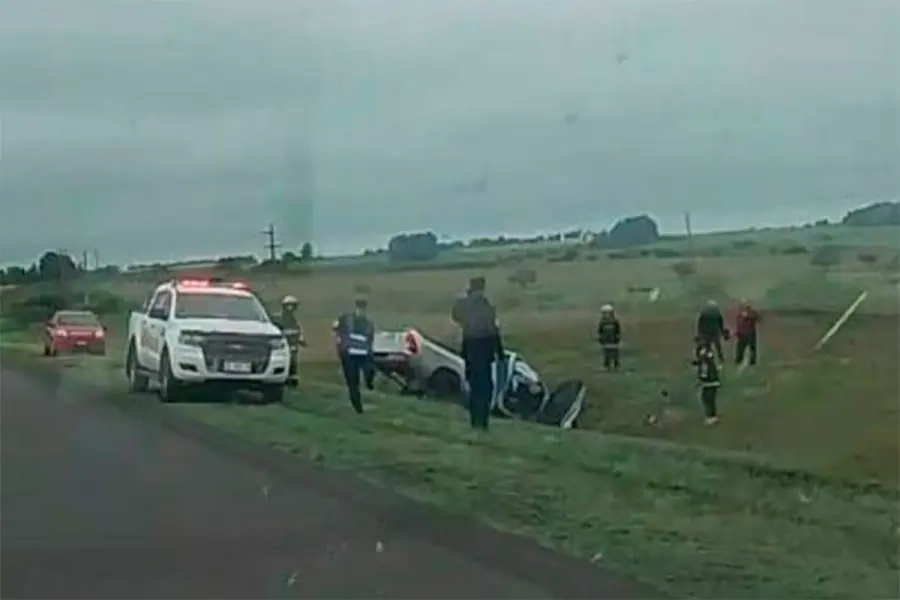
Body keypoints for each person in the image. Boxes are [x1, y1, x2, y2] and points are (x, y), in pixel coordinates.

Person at [451, 276, 505, 430]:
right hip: (484, 347)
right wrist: (499, 352)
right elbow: (493, 329)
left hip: (469, 347)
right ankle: (483, 420)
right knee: (485, 387)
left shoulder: (463, 304)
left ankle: (475, 419)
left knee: (474, 384)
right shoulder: (486, 305)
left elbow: (455, 316)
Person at [332, 298, 376, 414]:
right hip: (349, 354)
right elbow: (336, 331)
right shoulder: (345, 319)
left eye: (362, 308)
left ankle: (369, 382)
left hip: (361, 353)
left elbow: (370, 339)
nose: (361, 311)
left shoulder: (368, 323)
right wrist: (339, 345)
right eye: (359, 308)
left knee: (369, 371)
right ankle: (358, 408)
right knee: (353, 382)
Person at [691, 337, 721, 425]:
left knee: (707, 398)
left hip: (710, 381)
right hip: (712, 380)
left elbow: (705, 367)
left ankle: (711, 416)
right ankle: (712, 415)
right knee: (708, 398)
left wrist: (700, 379)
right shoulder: (707, 352)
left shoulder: (704, 354)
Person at [278, 295, 306, 384]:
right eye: (288, 305)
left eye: (292, 305)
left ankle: (292, 378)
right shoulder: (280, 319)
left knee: (293, 361)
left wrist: (301, 340)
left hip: (293, 344)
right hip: (284, 344)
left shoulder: (293, 319)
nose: (290, 308)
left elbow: (296, 331)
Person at [733, 299, 761, 367]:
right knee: (740, 347)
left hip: (750, 332)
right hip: (742, 333)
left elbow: (757, 317)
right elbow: (739, 324)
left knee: (752, 348)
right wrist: (737, 331)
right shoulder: (739, 313)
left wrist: (747, 315)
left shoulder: (752, 312)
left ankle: (752, 361)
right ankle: (739, 359)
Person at [596, 304, 622, 371]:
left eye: (608, 313)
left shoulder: (615, 321)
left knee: (614, 352)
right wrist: (600, 338)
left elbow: (618, 330)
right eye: (605, 313)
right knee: (606, 353)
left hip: (613, 340)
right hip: (606, 340)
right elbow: (600, 331)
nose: (606, 315)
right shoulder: (602, 322)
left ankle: (616, 365)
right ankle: (607, 365)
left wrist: (617, 337)